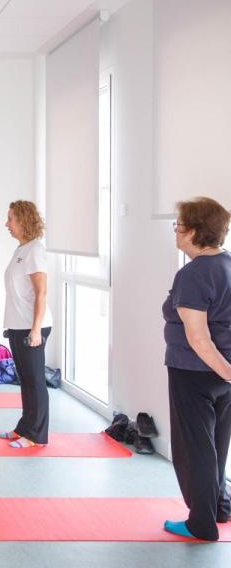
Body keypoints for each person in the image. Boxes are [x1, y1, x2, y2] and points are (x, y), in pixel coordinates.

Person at [162, 197, 231, 541]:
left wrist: (227, 372)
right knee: (217, 443)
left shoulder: (193, 274)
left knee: (196, 449)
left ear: (193, 231)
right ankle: (217, 508)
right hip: (221, 374)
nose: (175, 231)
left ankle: (200, 524)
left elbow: (199, 338)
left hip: (195, 372)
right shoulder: (228, 265)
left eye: (178, 224)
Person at [0, 200, 53, 448]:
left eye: (10, 219)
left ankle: (36, 435)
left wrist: (35, 329)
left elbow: (41, 293)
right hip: (18, 325)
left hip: (33, 326)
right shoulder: (22, 249)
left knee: (35, 379)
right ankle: (24, 427)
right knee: (25, 379)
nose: (6, 224)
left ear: (23, 220)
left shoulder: (35, 250)